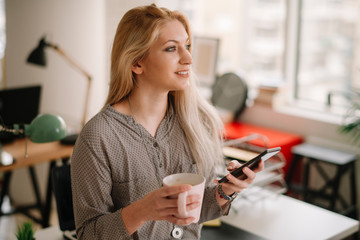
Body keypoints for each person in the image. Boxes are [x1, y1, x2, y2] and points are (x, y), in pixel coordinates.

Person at [71, 3, 264, 240]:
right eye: (172, 48)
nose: (188, 58)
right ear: (136, 63)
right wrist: (142, 210)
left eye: (187, 46)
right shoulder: (98, 137)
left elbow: (193, 213)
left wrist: (225, 191)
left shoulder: (196, 123)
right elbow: (87, 234)